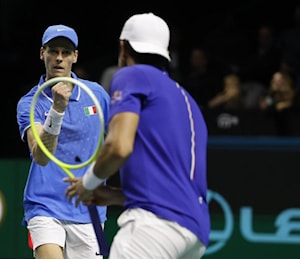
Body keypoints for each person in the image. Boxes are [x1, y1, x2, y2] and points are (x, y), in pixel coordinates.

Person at [65, 13, 210, 258]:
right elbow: (174, 184)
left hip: (152, 228)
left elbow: (119, 147)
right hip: (195, 232)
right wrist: (114, 196)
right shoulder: (187, 100)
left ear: (123, 47)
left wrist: (87, 183)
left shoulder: (132, 75)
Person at [16, 24, 110, 259]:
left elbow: (121, 138)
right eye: (53, 51)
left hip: (89, 208)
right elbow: (40, 155)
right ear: (42, 53)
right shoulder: (30, 103)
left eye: (66, 52)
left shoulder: (96, 95)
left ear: (75, 56)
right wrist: (57, 110)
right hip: (45, 204)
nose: (59, 58)